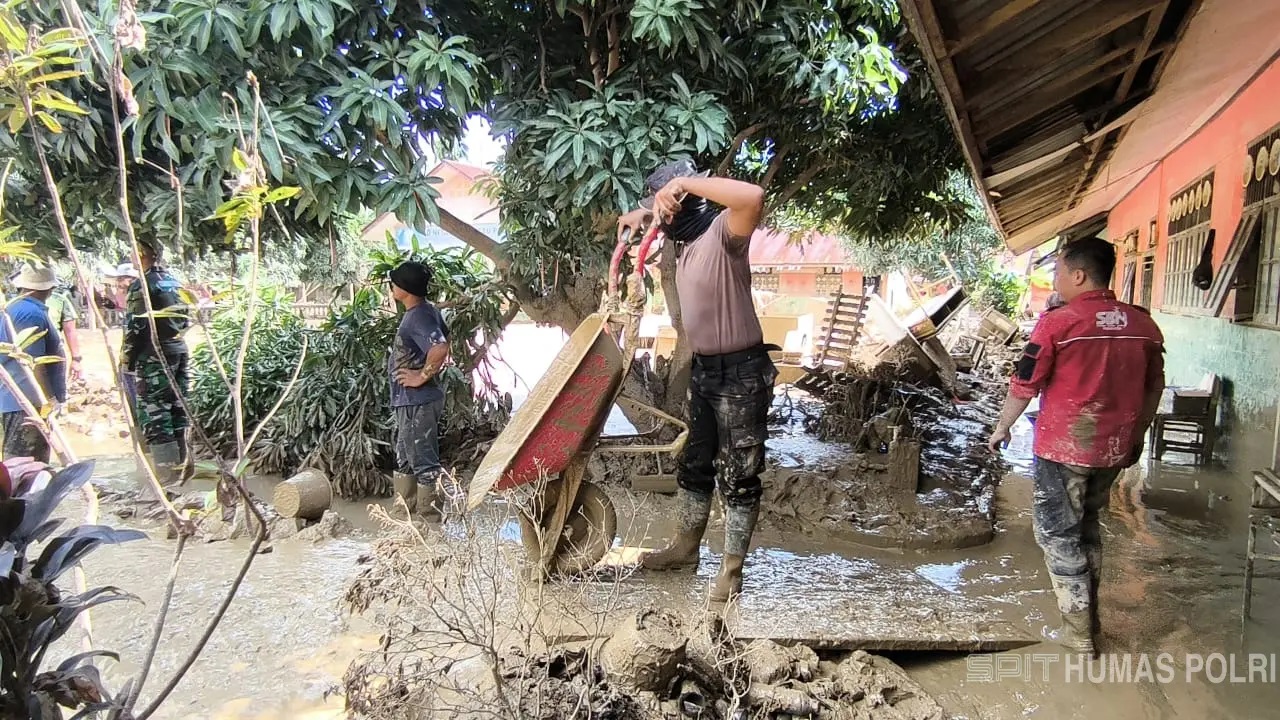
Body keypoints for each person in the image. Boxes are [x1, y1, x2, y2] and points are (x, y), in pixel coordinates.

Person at [986, 236, 1165, 655]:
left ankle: (1078, 634)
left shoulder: (1059, 324)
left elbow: (1025, 382)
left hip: (1063, 447)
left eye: (1059, 272)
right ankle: (1091, 622)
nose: (1056, 280)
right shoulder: (1143, 324)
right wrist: (1137, 433)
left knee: (1055, 533)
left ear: (1079, 275)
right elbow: (1154, 387)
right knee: (1087, 527)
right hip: (1114, 449)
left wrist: (1001, 428)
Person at [616, 159, 776, 605]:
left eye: (669, 204)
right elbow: (659, 218)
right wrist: (644, 214)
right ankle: (685, 550)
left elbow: (753, 197)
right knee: (695, 465)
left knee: (740, 475)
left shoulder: (723, 232)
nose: (662, 216)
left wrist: (685, 183)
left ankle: (731, 572)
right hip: (705, 371)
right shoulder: (683, 241)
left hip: (741, 371)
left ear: (688, 199)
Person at [121, 241, 190, 487]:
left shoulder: (142, 285)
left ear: (142, 256)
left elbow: (135, 327)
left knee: (155, 412)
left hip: (153, 354)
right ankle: (185, 468)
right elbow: (186, 318)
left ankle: (167, 477)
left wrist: (126, 360)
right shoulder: (173, 281)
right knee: (178, 406)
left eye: (132, 252)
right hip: (178, 349)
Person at [386, 261, 451, 517]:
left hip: (417, 401)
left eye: (395, 282)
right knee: (405, 457)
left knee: (423, 460)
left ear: (405, 288)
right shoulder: (426, 311)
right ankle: (404, 515)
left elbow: (440, 347)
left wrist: (420, 376)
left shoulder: (418, 316)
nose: (391, 285)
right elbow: (445, 339)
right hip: (411, 401)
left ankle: (430, 519)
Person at [0, 266, 67, 462]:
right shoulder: (31, 313)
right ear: (45, 289)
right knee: (26, 463)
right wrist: (49, 399)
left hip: (16, 400)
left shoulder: (16, 309)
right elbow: (34, 364)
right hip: (28, 401)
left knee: (22, 461)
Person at [44, 281, 82, 382]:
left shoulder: (59, 299)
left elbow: (70, 331)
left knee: (55, 390)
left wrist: (76, 359)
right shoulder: (11, 301)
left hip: (52, 352)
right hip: (20, 354)